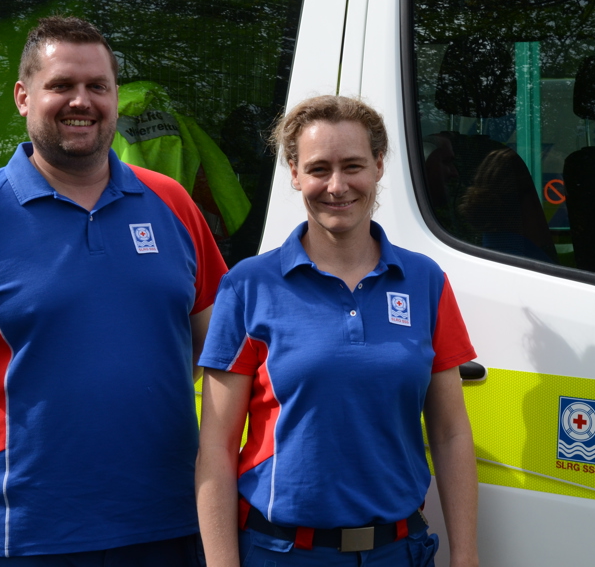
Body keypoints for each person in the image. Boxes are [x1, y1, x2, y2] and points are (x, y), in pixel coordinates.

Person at [0, 16, 226, 566]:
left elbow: (216, 345)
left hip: (165, 523)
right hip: (20, 538)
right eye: (61, 85)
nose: (81, 101)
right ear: (23, 97)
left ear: (115, 97)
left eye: (98, 86)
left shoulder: (171, 203)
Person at [195, 95, 480, 567]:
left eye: (353, 166)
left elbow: (450, 433)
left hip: (399, 552)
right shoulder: (248, 286)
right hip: (283, 554)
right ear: (294, 173)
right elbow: (216, 448)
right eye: (318, 169)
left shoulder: (424, 281)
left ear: (379, 165)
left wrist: (465, 555)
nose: (336, 185)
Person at [458, 148, 557, 263]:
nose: (561, 210)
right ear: (528, 201)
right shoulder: (528, 263)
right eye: (549, 194)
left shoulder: (485, 254)